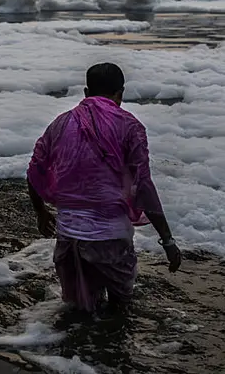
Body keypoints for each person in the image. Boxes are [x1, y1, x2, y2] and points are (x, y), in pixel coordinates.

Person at [26, 63, 181, 312]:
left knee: (78, 314)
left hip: (69, 239)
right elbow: (143, 186)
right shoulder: (129, 127)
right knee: (120, 314)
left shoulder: (60, 124)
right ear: (121, 93)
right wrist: (167, 240)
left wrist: (41, 212)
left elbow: (34, 171)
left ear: (87, 92)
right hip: (111, 242)